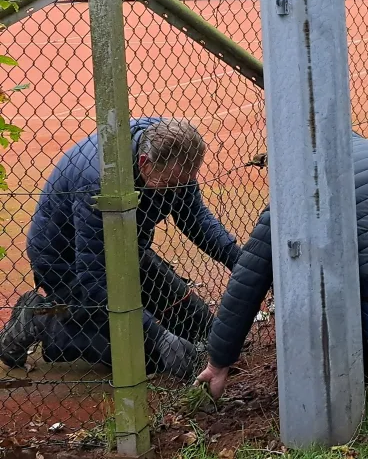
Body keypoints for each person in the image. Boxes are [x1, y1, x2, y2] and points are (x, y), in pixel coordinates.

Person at [196, 135, 368, 398]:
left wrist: (219, 361)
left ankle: (364, 360)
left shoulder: (298, 187)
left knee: (307, 255)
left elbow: (248, 277)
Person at [0, 119, 240, 377]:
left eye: (185, 183)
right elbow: (93, 278)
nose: (177, 191)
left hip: (126, 248)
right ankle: (42, 316)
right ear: (144, 163)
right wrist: (158, 337)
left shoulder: (171, 149)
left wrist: (244, 264)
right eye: (170, 184)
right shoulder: (98, 181)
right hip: (67, 263)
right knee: (149, 357)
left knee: (204, 331)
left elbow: (195, 219)